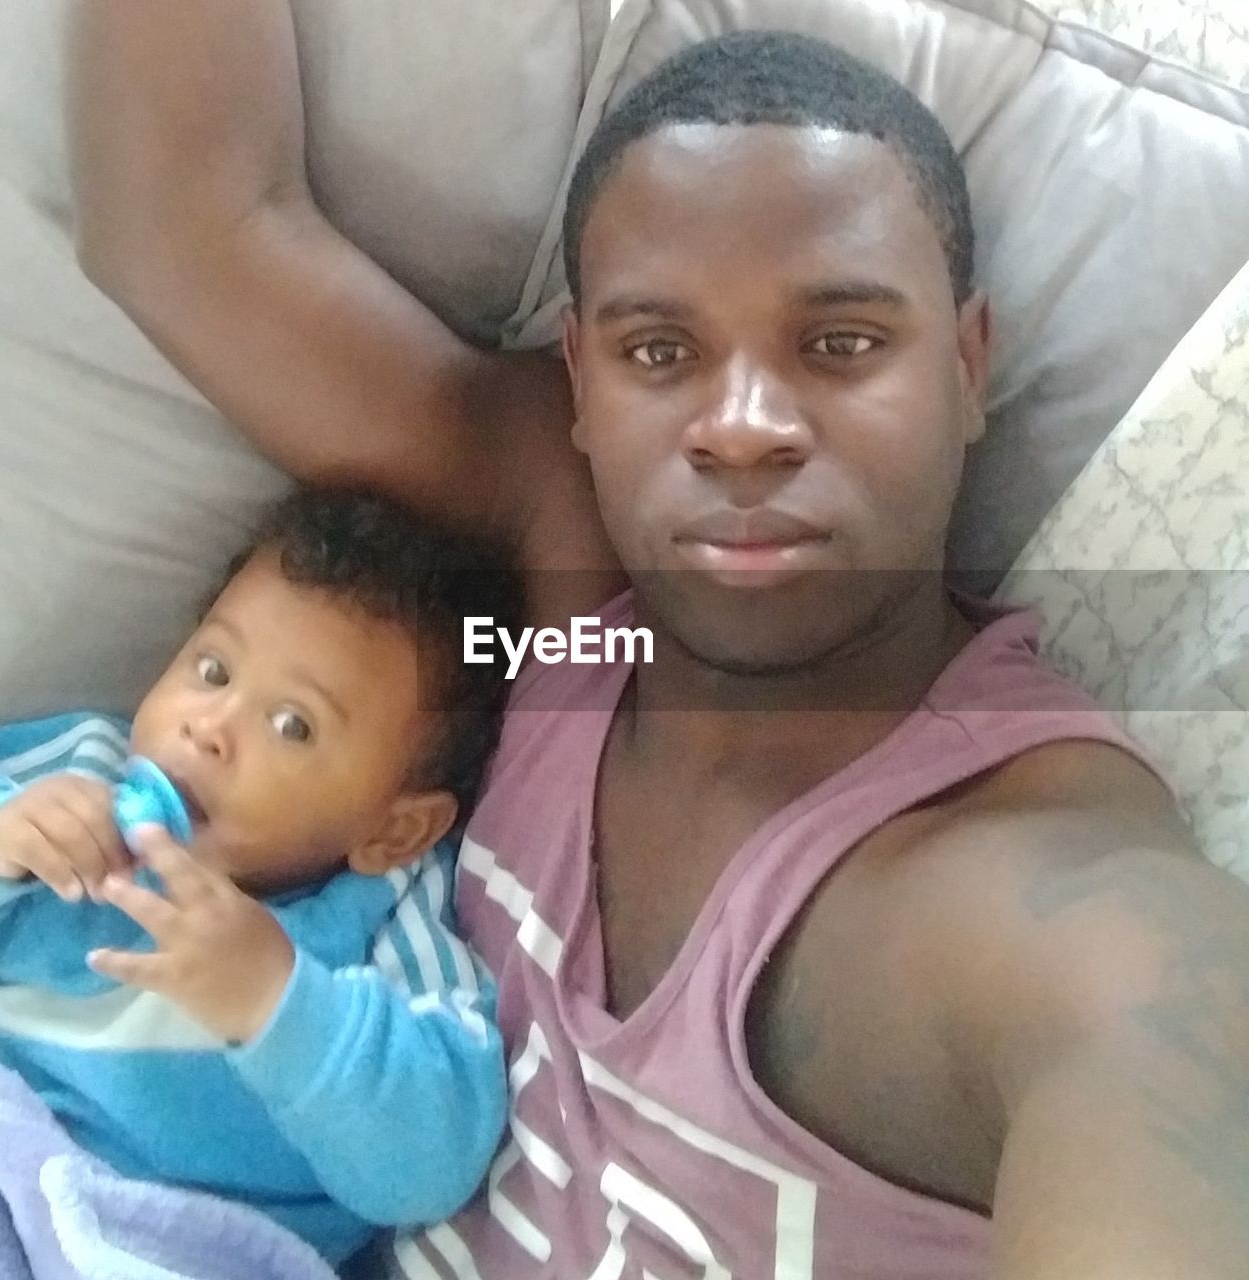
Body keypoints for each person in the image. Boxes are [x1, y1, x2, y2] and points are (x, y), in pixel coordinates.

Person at [72, 7, 1249, 1277]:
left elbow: (1158, 1058)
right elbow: (186, 227)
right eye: (659, 351)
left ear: (968, 364)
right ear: (578, 383)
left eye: (840, 343)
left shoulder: (1043, 898)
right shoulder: (569, 595)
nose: (741, 427)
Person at [0, 486, 517, 1267]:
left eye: (292, 725)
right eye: (213, 668)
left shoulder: (385, 916)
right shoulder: (71, 772)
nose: (210, 726)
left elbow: (432, 1164)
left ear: (394, 828)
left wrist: (277, 1002)